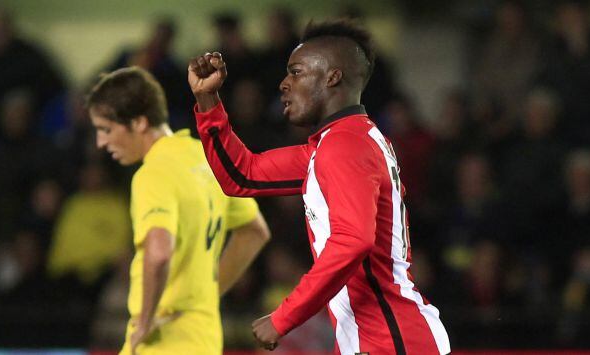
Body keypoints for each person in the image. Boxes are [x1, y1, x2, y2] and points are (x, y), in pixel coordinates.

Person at [189, 20, 450, 354]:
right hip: (383, 337)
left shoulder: (345, 146)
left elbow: (353, 239)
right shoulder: (340, 143)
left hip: (390, 339)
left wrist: (284, 317)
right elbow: (242, 175)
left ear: (332, 76)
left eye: (296, 72)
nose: (283, 84)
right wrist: (208, 99)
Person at [86, 66, 270, 354]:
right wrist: (207, 296)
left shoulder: (152, 174)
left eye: (106, 129)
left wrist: (145, 322)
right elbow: (255, 232)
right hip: (205, 336)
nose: (101, 142)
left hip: (164, 338)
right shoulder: (207, 157)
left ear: (139, 123)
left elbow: (159, 253)